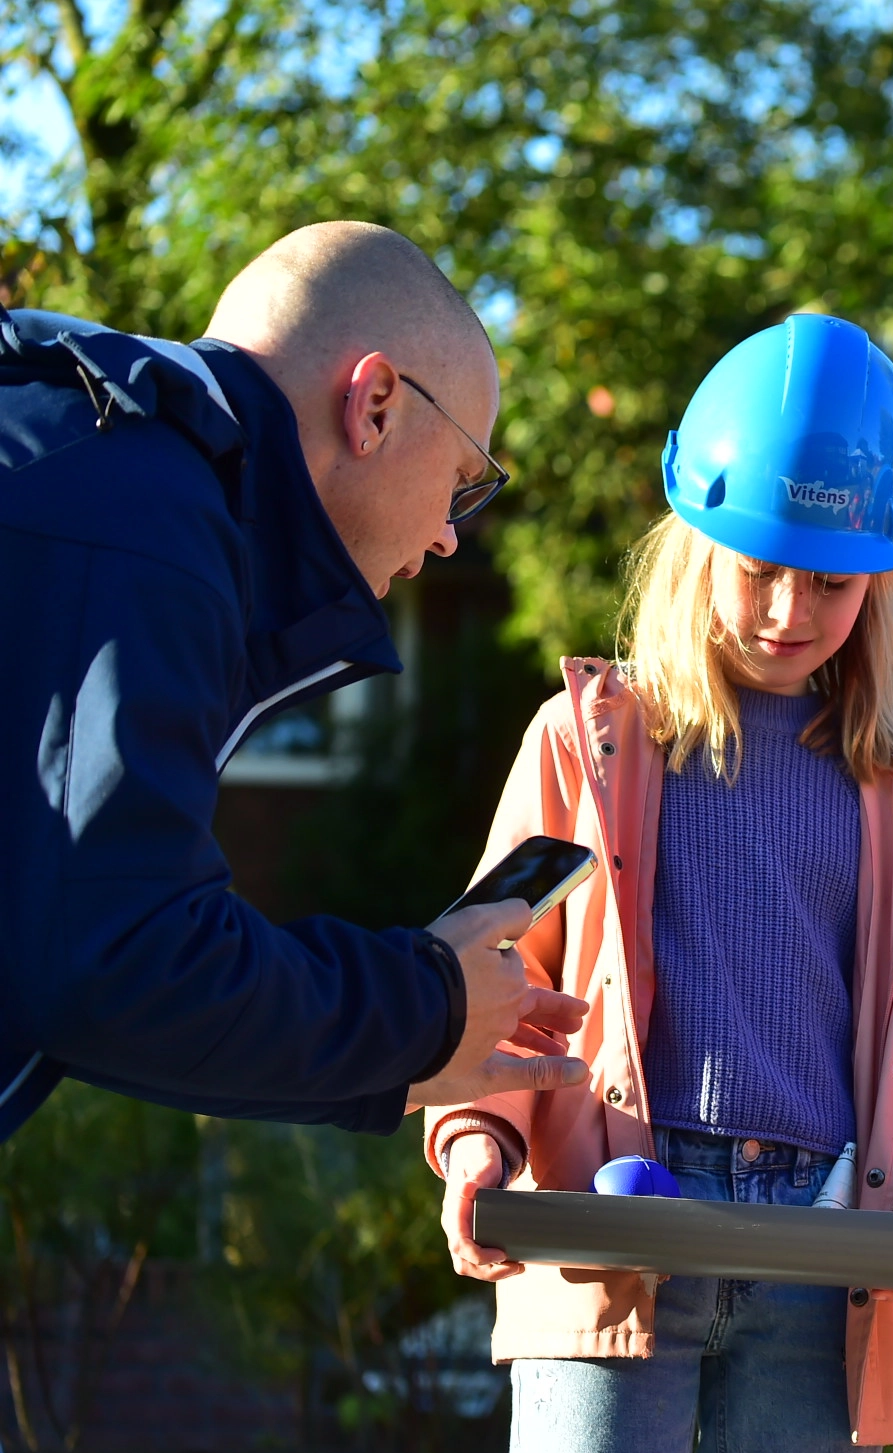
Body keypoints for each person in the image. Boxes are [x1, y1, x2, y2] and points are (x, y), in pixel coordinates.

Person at [424, 315, 893, 1453]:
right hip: (608, 1217)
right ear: (694, 545)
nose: (792, 611)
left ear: (883, 581)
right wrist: (472, 1142)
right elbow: (490, 964)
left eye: (832, 583)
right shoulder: (589, 742)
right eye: (759, 571)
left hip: (827, 1246)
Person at [0, 221, 589, 1144]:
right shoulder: (145, 528)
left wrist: (395, 1060)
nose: (448, 534)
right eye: (464, 479)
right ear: (377, 404)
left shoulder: (105, 461)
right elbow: (115, 957)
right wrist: (424, 1006)